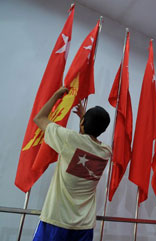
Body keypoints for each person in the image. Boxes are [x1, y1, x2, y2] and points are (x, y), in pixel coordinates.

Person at [32, 87, 112, 241]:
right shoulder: (106, 152)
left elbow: (39, 118)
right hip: (84, 226)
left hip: (56, 221)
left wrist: (56, 95)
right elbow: (86, 141)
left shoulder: (69, 139)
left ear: (82, 124)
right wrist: (85, 118)